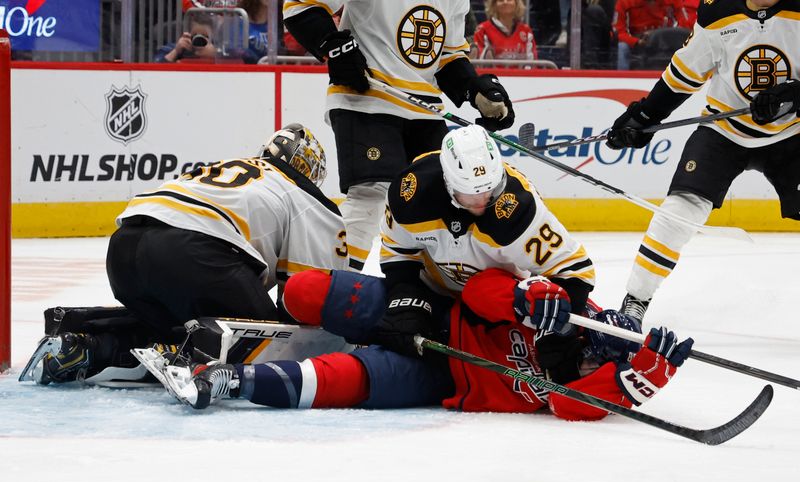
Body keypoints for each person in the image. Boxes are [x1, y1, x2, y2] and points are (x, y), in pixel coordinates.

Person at [23, 124, 349, 385]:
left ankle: (88, 345)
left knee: (177, 319)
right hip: (192, 254)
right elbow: (309, 296)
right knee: (271, 341)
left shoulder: (234, 169)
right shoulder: (304, 194)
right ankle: (182, 356)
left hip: (123, 250)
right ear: (310, 170)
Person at [148, 266, 693, 419]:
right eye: (603, 344)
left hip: (443, 376)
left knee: (349, 379)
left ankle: (230, 380)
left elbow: (571, 405)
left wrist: (634, 380)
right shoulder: (575, 311)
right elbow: (480, 289)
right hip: (429, 310)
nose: (597, 350)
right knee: (304, 290)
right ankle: (223, 328)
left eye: (607, 357)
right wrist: (527, 296)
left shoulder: (590, 385)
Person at [605, 0, 800, 324]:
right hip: (724, 132)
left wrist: (797, 94)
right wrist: (644, 116)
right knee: (678, 211)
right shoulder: (718, 12)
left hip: (792, 134)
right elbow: (683, 75)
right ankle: (636, 301)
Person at [282, 0, 515, 270]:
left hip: (424, 110)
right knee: (372, 196)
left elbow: (449, 55)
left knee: (447, 200)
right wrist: (333, 46)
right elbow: (300, 6)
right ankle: (328, 287)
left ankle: (431, 293)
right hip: (367, 97)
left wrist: (475, 89)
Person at [377, 124, 596, 386]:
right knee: (379, 320)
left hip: (496, 307)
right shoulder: (411, 193)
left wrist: (554, 333)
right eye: (470, 195)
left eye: (489, 191)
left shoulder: (517, 209)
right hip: (430, 291)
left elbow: (575, 273)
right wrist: (408, 300)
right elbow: (398, 253)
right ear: (448, 183)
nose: (482, 201)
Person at [613, 0, 689, 70]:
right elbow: (618, 32)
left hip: (665, 41)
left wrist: (665, 35)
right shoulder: (624, 2)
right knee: (622, 47)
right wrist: (636, 41)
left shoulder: (674, 1)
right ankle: (623, 78)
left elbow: (684, 26)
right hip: (637, 40)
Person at [473, 0, 537, 62]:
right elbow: (480, 64)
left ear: (517, 3)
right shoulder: (482, 30)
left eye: (509, 0)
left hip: (522, 73)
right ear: (494, 5)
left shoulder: (526, 30)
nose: (505, 2)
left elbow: (532, 63)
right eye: (501, 0)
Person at [153, 12, 218, 63]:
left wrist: (215, 55)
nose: (199, 39)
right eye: (195, 35)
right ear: (187, 33)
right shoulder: (175, 48)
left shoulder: (218, 51)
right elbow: (154, 69)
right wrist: (176, 52)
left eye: (205, 36)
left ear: (212, 37)